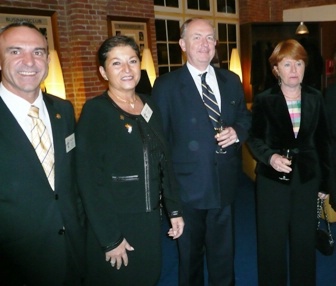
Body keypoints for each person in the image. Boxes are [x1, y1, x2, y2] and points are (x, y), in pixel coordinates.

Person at [75, 35, 184, 286]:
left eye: (132, 61)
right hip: (115, 220)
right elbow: (89, 180)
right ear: (103, 71)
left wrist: (174, 209)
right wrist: (110, 238)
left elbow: (163, 160)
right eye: (116, 63)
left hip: (148, 219)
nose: (127, 69)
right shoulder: (96, 111)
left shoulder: (149, 104)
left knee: (149, 277)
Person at [152, 18, 251, 286]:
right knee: (190, 258)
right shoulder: (166, 86)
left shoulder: (231, 80)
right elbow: (159, 142)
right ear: (183, 44)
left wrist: (238, 132)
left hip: (226, 184)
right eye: (196, 37)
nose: (204, 44)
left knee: (224, 256)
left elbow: (244, 117)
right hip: (187, 189)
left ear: (216, 44)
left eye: (209, 37)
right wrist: (167, 195)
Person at [0, 21, 85, 285]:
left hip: (74, 250)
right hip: (16, 260)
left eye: (37, 52)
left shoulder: (64, 110)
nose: (29, 61)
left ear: (47, 60)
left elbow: (71, 179)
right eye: (15, 51)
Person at [247, 39, 334, 286]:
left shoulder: (316, 97)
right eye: (287, 64)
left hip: (307, 178)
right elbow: (253, 138)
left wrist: (325, 183)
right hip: (272, 180)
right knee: (271, 241)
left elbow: (324, 142)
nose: (294, 70)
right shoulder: (264, 100)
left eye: (299, 63)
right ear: (276, 69)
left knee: (304, 240)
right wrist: (270, 156)